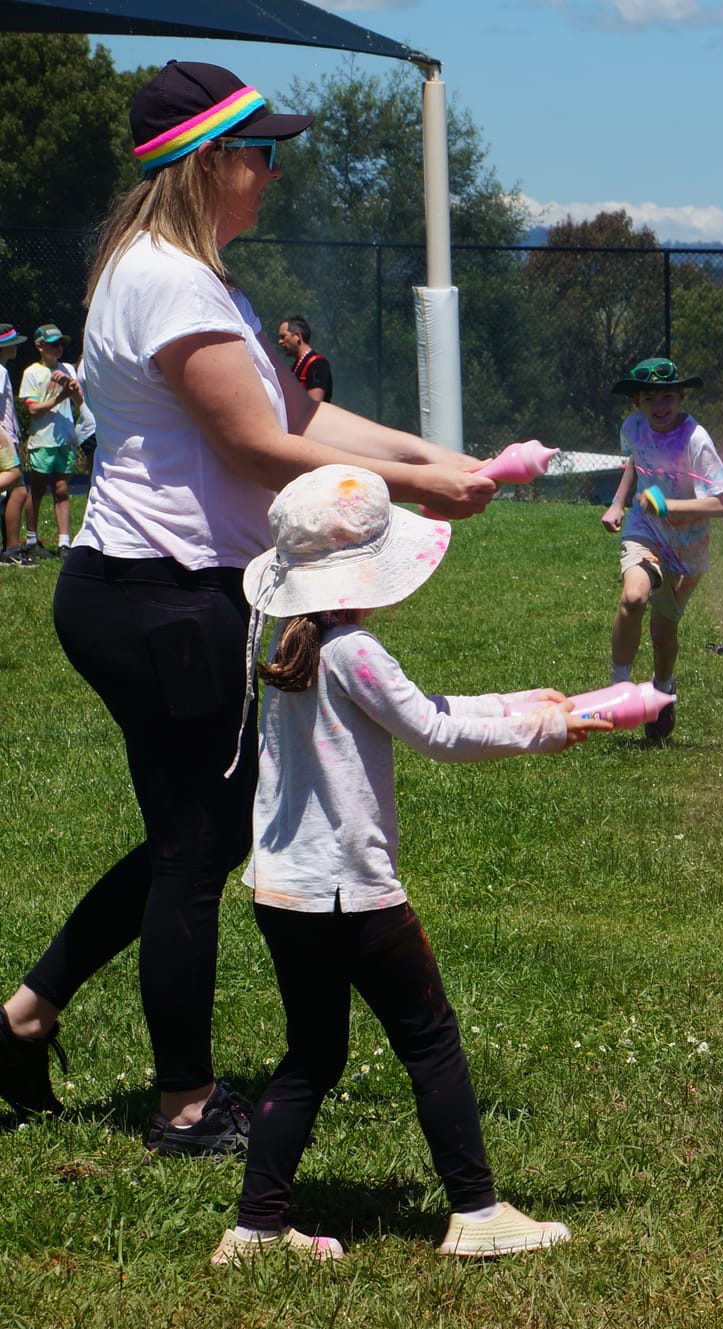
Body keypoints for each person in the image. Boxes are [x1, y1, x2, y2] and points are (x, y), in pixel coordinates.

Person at [0, 60, 493, 1147]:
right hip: (159, 596)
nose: (271, 176)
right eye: (260, 153)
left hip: (153, 593)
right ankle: (182, 1105)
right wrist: (420, 488)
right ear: (207, 159)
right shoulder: (172, 280)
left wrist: (437, 456)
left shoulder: (190, 273)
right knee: (196, 844)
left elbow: (299, 413)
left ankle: (23, 1020)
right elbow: (254, 447)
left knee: (200, 832)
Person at [211, 465, 602, 1266]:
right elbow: (435, 734)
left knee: (312, 1055)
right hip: (353, 896)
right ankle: (477, 1210)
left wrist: (518, 701)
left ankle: (254, 1229)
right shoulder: (355, 649)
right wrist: (546, 731)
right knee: (431, 1041)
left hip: (283, 891)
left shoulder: (290, 642)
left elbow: (421, 708)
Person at [598, 357, 723, 741]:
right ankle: (617, 688)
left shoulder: (696, 440)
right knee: (634, 597)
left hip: (686, 549)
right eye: (650, 399)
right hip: (645, 530)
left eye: (667, 396)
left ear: (681, 396)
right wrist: (619, 502)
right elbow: (636, 462)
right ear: (637, 402)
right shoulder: (634, 427)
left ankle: (663, 690)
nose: (660, 406)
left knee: (663, 631)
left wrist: (671, 506)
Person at [16, 324, 83, 558]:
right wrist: (59, 397)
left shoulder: (67, 369)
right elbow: (33, 410)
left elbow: (79, 401)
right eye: (54, 343)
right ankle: (32, 540)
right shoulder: (32, 372)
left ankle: (65, 542)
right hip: (42, 440)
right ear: (40, 346)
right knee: (37, 489)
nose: (59, 348)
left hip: (65, 439)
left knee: (62, 489)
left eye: (61, 343)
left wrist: (69, 385)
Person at [0, 324, 24, 566]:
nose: (16, 346)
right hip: (4, 439)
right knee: (18, 490)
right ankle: (12, 549)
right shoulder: (0, 371)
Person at [275, 315, 331, 403]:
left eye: (283, 337)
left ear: (297, 336)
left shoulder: (317, 363)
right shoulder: (296, 366)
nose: (280, 341)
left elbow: (314, 405)